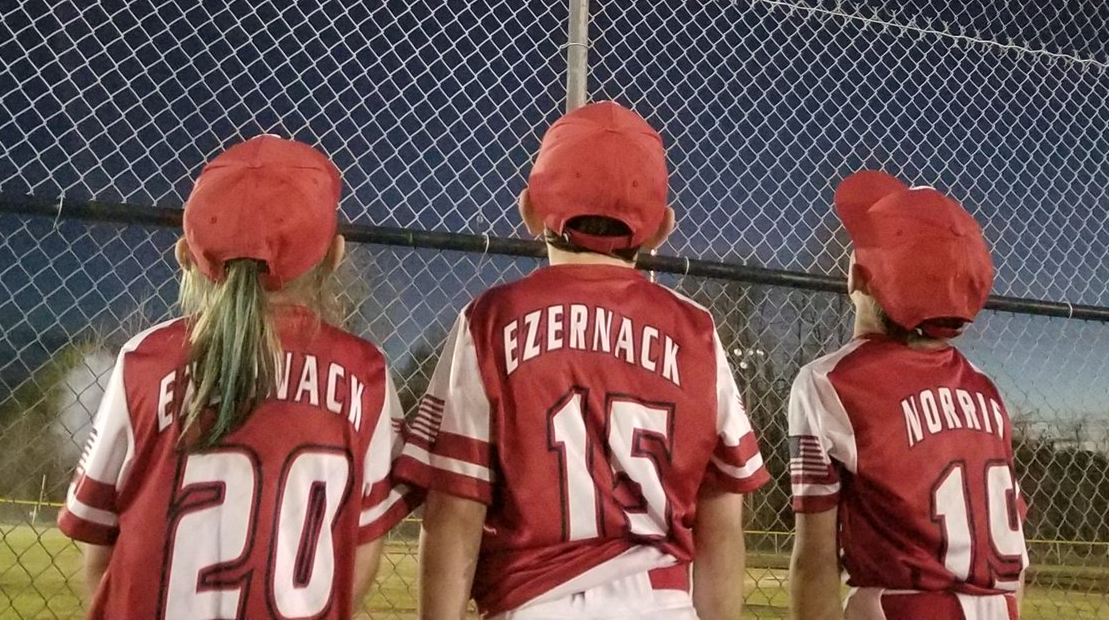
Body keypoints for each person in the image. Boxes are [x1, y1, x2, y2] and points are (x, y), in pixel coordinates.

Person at [396, 101, 769, 620]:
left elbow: (456, 507)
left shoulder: (492, 318)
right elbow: (722, 519)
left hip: (532, 603)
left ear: (529, 210)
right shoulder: (696, 330)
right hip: (663, 604)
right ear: (663, 229)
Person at [58, 134, 411, 620]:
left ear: (185, 254)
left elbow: (100, 547)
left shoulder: (145, 361)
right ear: (335, 255)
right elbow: (363, 546)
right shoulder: (364, 372)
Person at [788, 171, 1029, 620]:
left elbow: (814, 559)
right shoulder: (985, 390)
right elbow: (1015, 559)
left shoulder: (832, 382)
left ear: (857, 277)